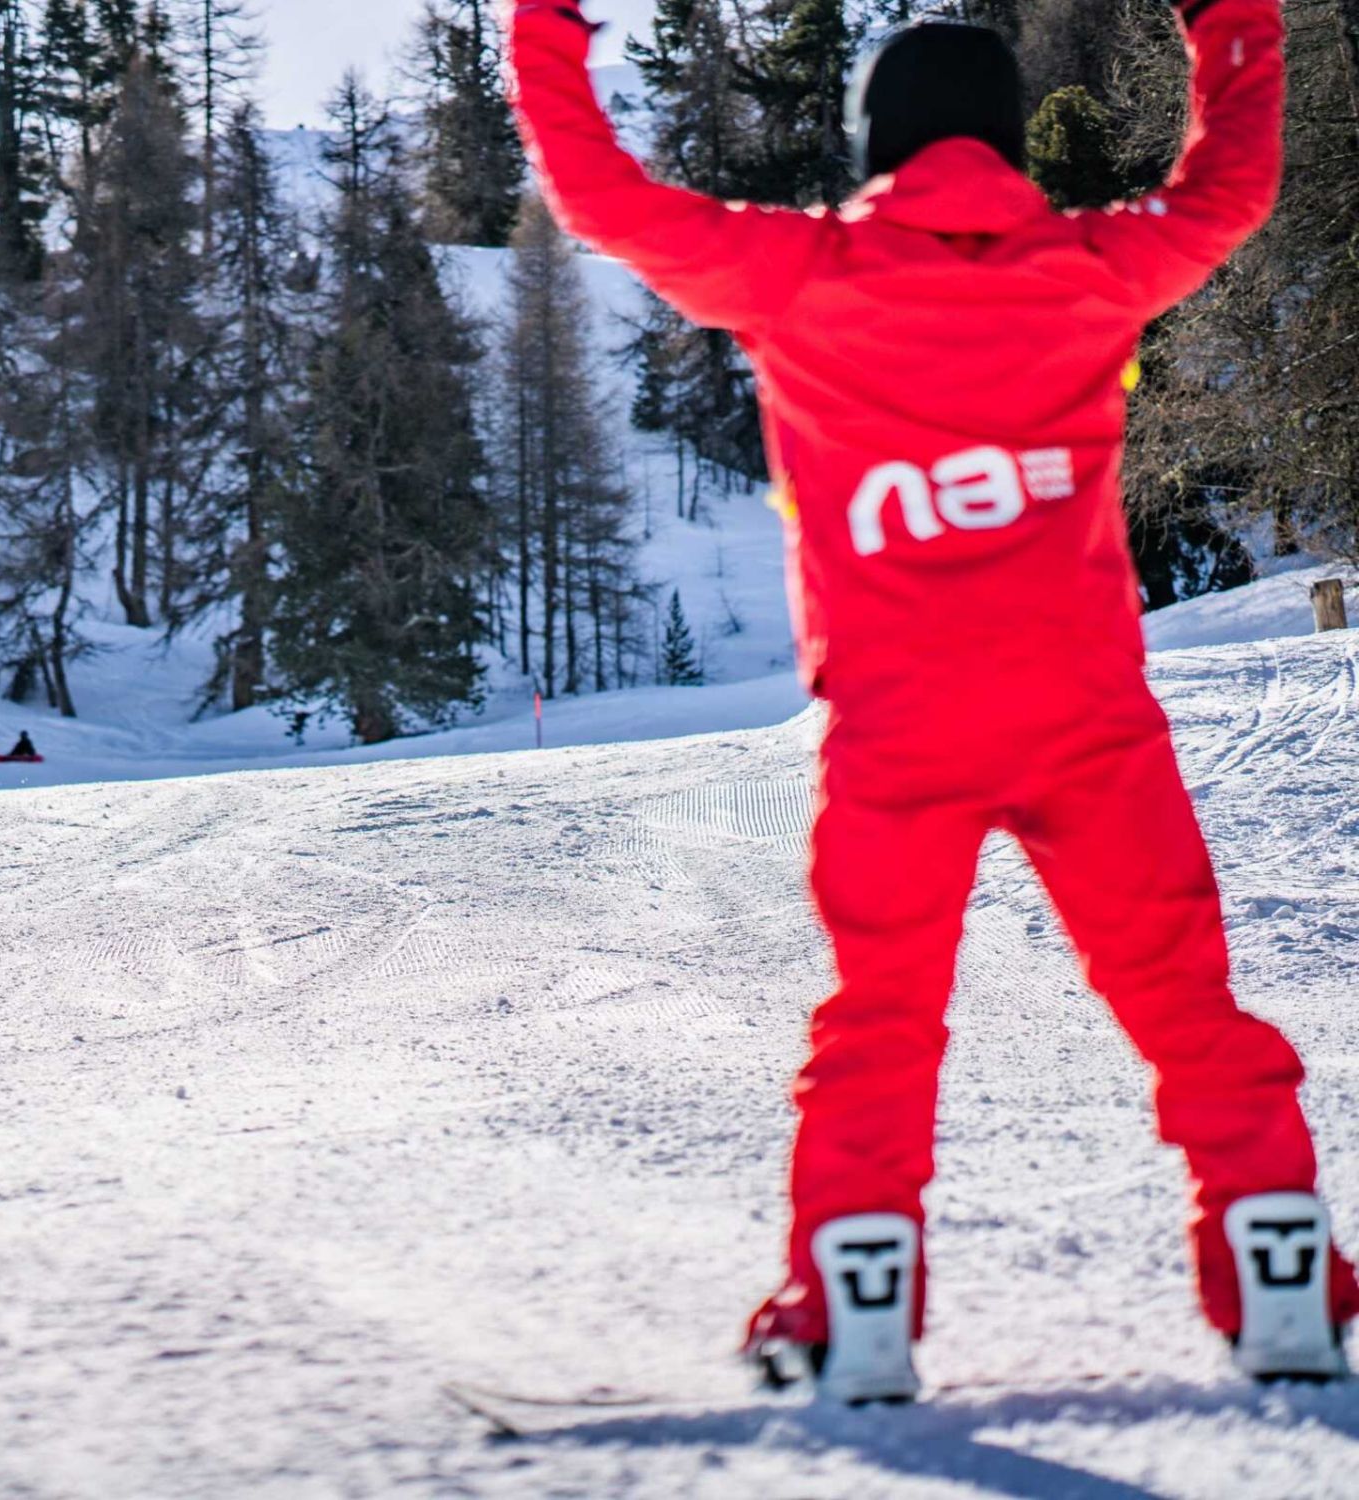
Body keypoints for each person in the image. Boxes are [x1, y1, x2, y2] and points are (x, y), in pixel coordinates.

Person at [510, 0, 1355, 1400]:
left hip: (899, 735)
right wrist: (1228, 20)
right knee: (1187, 1005)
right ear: (1009, 137)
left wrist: (545, 29)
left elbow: (603, 199)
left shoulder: (803, 275)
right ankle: (1278, 1270)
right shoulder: (1091, 266)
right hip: (1088, 719)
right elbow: (1235, 186)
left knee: (881, 1023)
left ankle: (857, 1306)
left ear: (875, 143)